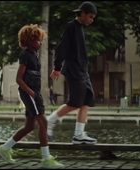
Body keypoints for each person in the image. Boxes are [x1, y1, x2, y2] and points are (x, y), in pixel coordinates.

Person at [0, 24, 64, 169]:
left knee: (29, 126)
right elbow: (19, 79)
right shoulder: (26, 55)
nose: (40, 43)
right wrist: (31, 93)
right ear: (29, 40)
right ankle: (46, 159)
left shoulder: (34, 55)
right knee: (43, 122)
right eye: (38, 40)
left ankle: (5, 148)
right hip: (29, 93)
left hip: (34, 92)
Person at [46, 1, 98, 144]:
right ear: (82, 13)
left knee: (87, 99)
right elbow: (62, 48)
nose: (91, 20)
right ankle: (49, 121)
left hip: (82, 71)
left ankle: (78, 134)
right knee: (75, 102)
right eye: (90, 17)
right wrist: (57, 67)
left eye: (93, 18)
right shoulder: (71, 27)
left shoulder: (80, 28)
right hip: (74, 70)